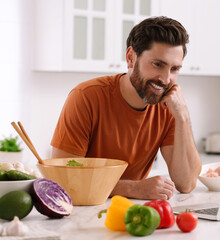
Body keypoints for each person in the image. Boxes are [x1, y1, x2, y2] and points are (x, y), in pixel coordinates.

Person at [50, 16, 201, 200]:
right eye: (158, 64)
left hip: (134, 215)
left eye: (175, 69)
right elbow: (61, 177)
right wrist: (134, 189)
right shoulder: (86, 96)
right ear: (131, 57)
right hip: (83, 212)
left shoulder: (169, 107)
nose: (165, 78)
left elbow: (186, 184)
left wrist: (183, 116)